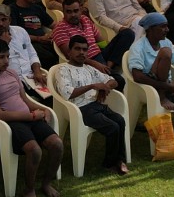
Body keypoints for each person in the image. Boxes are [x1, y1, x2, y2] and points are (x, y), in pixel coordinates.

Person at [0, 39, 62, 197]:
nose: (6, 61)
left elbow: (25, 100)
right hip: (12, 122)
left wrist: (43, 109)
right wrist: (31, 117)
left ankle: (46, 183)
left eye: (8, 56)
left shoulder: (11, 73)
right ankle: (29, 189)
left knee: (57, 144)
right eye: (1, 57)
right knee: (34, 150)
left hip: (29, 117)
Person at [52, 35, 129, 174]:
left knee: (120, 120)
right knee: (112, 127)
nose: (81, 52)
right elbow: (67, 93)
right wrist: (92, 86)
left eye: (84, 49)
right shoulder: (62, 70)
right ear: (69, 51)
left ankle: (119, 160)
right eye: (77, 49)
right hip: (79, 109)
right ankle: (109, 164)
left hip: (96, 105)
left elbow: (113, 80)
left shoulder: (89, 69)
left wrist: (104, 87)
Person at [127, 13, 174, 122]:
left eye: (167, 26)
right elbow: (137, 76)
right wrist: (165, 86)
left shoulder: (166, 42)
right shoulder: (137, 47)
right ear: (150, 29)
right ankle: (162, 97)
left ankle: (166, 95)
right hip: (147, 85)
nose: (167, 30)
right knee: (166, 52)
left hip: (166, 82)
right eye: (162, 27)